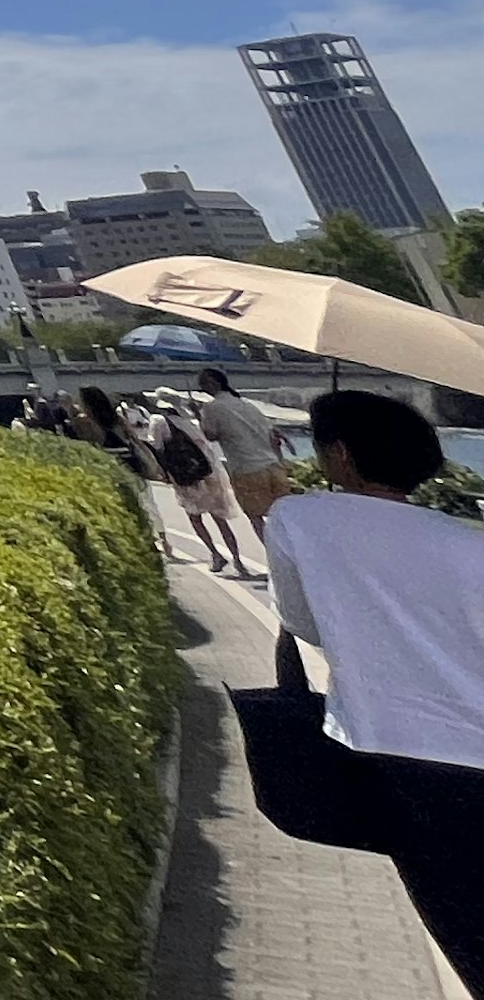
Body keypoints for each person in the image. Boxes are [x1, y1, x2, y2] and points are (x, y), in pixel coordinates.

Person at [263, 389, 484, 982]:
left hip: (393, 750)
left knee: (463, 923)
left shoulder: (299, 519)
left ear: (338, 454)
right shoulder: (470, 544)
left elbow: (302, 623)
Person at [142, 394, 251, 577]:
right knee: (220, 519)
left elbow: (157, 446)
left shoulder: (159, 421)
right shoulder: (189, 420)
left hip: (186, 476)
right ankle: (237, 560)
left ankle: (215, 555)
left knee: (195, 518)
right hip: (208, 473)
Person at [195, 367, 289, 527]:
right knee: (285, 516)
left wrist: (198, 415)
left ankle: (274, 550)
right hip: (273, 466)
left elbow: (210, 435)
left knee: (257, 518)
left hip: (247, 469)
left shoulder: (212, 407)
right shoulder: (248, 405)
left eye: (202, 382)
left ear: (213, 383)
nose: (201, 386)